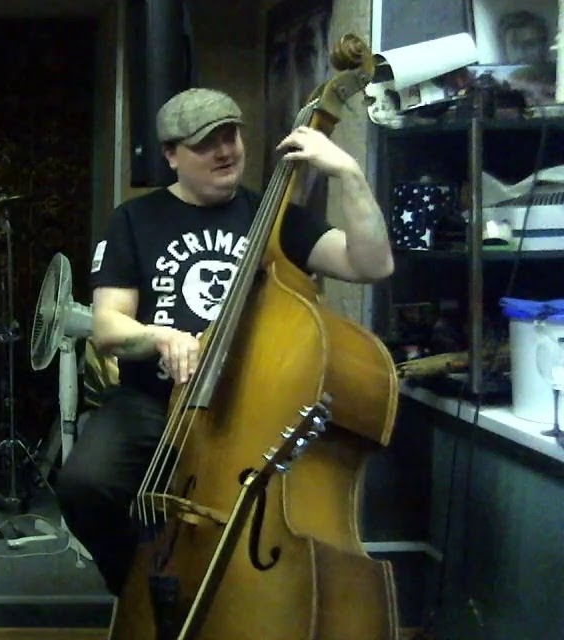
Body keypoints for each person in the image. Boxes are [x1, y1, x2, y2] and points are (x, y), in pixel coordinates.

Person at [54, 88, 394, 597]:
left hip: (255, 405)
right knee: (85, 484)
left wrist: (350, 174)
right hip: (155, 400)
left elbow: (372, 264)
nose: (224, 151)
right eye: (204, 143)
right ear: (171, 155)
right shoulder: (134, 220)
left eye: (230, 136)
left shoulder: (274, 216)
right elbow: (108, 326)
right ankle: (139, 590)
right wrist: (159, 335)